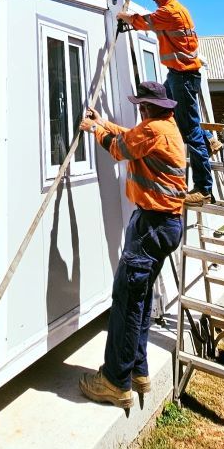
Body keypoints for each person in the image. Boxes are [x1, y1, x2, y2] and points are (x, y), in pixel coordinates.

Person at [77, 81, 186, 409]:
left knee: (126, 301)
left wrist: (95, 129)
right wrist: (105, 121)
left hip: (152, 227)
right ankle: (138, 370)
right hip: (163, 227)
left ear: (148, 107)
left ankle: (114, 381)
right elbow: (130, 136)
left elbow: (119, 148)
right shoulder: (165, 128)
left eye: (141, 105)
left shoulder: (153, 130)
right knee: (137, 300)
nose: (139, 110)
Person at [116, 0, 214, 204]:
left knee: (189, 132)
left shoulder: (170, 12)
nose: (154, 0)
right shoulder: (177, 9)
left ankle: (204, 188)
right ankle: (209, 138)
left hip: (183, 75)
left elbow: (143, 22)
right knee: (170, 110)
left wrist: (122, 15)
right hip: (179, 74)